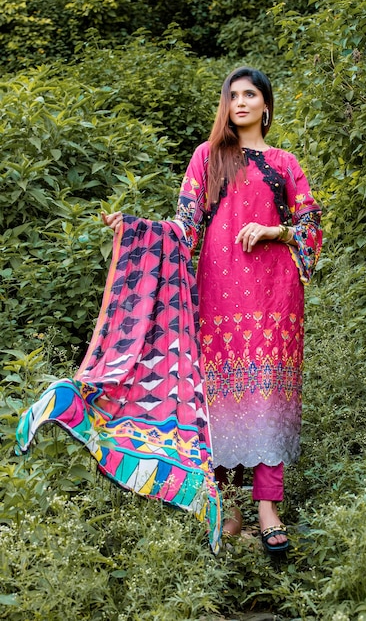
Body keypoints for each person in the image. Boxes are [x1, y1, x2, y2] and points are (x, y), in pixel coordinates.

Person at [102, 66, 322, 554]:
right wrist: (136, 229)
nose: (240, 102)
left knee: (268, 393)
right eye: (232, 95)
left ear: (266, 106)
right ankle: (224, 503)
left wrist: (273, 231)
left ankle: (268, 507)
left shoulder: (285, 163)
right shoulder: (208, 157)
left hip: (276, 297)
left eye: (250, 94)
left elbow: (311, 227)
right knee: (216, 396)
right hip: (218, 294)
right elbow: (184, 226)